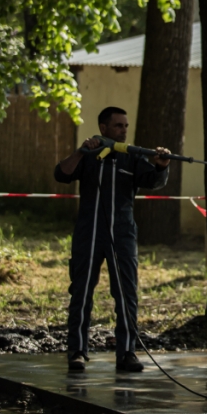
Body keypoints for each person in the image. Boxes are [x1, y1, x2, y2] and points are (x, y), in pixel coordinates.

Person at [55, 106, 171, 373]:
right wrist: (82, 151)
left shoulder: (131, 158)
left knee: (126, 295)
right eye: (118, 126)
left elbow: (153, 181)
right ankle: (77, 352)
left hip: (122, 235)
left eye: (126, 126)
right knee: (82, 293)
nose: (123, 130)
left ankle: (127, 353)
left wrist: (161, 166)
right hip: (89, 234)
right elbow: (61, 174)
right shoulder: (89, 155)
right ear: (104, 127)